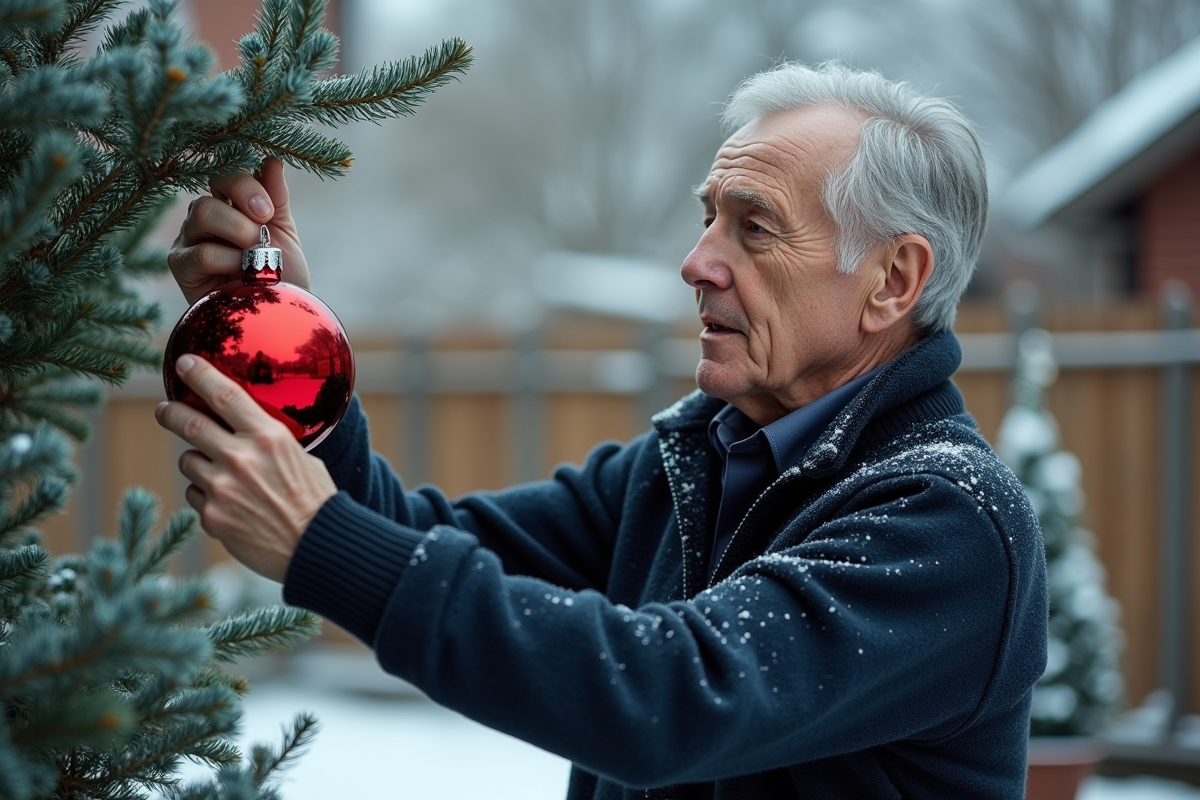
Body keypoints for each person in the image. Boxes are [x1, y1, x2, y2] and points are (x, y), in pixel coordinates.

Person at [158, 61, 1048, 799]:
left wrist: (321, 541)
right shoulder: (688, 463)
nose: (698, 263)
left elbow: (669, 696)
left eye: (755, 226)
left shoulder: (946, 524)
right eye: (708, 218)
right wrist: (291, 348)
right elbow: (423, 543)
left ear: (892, 280)